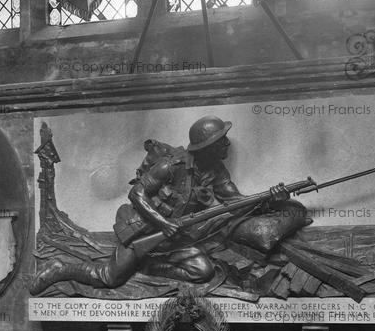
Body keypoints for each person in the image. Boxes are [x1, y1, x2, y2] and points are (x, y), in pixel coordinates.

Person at [30, 116, 308, 295]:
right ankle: (59, 269)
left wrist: (273, 198)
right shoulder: (170, 165)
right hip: (143, 231)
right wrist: (163, 223)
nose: (226, 144)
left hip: (176, 240)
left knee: (203, 271)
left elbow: (235, 203)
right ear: (207, 145)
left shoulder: (217, 171)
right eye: (221, 140)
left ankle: (149, 267)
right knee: (109, 277)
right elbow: (137, 194)